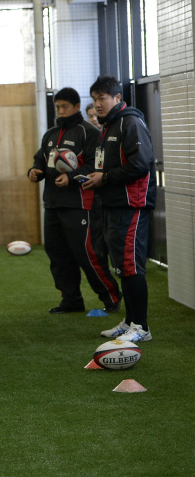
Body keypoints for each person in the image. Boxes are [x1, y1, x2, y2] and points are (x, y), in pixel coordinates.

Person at [28, 87, 121, 314]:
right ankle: (71, 300)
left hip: (80, 204)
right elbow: (40, 160)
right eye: (57, 107)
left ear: (77, 106)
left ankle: (111, 297)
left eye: (65, 107)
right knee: (57, 254)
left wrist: (71, 178)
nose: (60, 111)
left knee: (87, 253)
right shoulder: (50, 134)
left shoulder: (89, 133)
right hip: (52, 204)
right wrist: (34, 171)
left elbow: (96, 166)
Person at [83, 75, 157, 343]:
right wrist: (96, 177)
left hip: (132, 206)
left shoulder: (131, 122)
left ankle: (142, 327)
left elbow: (140, 165)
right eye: (94, 99)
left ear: (117, 98)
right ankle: (130, 322)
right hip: (113, 205)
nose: (97, 104)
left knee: (131, 266)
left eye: (102, 98)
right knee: (123, 267)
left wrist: (105, 178)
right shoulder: (108, 126)